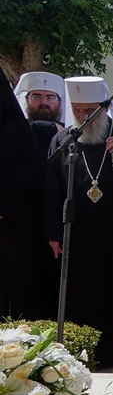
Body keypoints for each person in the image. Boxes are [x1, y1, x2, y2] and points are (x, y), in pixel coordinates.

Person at [44, 76, 113, 367]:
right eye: (79, 111)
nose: (84, 118)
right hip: (79, 237)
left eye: (91, 111)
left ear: (104, 108)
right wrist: (53, 232)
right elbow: (52, 188)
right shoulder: (63, 140)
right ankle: (86, 356)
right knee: (83, 298)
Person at [0, 69, 47, 320]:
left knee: (16, 290)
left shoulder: (17, 129)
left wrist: (4, 209)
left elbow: (29, 176)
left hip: (12, 225)